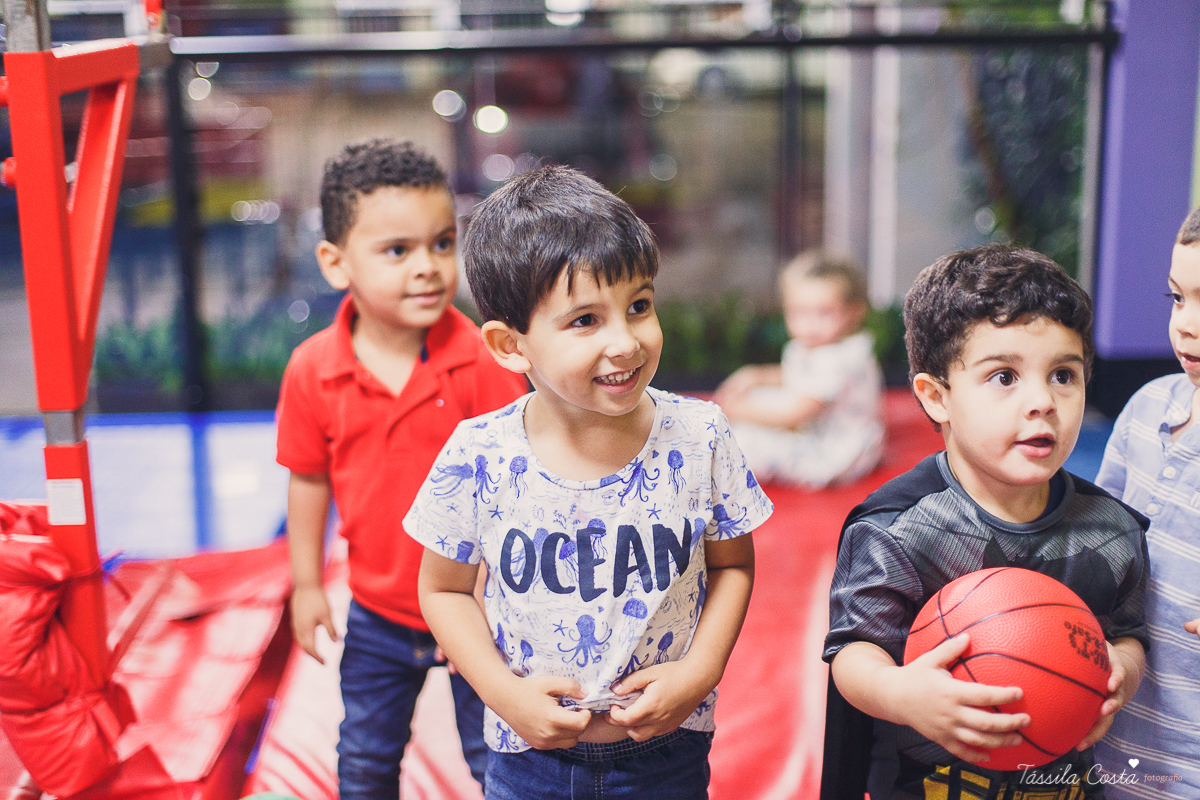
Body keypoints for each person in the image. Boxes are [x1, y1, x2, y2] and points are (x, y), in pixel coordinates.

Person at [403, 164, 773, 800]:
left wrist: (699, 671)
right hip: (531, 760)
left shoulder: (700, 436)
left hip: (667, 751)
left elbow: (733, 565)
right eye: (584, 320)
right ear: (510, 345)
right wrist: (504, 694)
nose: (626, 342)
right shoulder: (479, 454)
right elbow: (443, 590)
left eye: (639, 306)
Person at [820, 244, 1150, 800]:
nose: (1042, 401)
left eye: (1063, 375)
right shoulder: (897, 530)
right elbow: (853, 651)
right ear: (936, 397)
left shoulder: (1114, 532)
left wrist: (1122, 669)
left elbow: (1129, 631)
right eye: (1004, 377)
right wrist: (900, 692)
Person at [275, 139, 528, 799]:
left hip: (478, 607)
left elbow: (517, 481)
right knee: (364, 761)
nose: (428, 268)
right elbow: (307, 478)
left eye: (442, 244)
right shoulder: (312, 370)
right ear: (336, 264)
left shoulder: (480, 357)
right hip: (379, 613)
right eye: (398, 251)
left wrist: (496, 594)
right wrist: (307, 584)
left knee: (497, 761)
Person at [1091, 207, 1200, 797]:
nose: (1186, 324)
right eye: (1178, 298)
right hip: (1111, 746)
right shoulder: (1148, 408)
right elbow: (1095, 542)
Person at [713, 251, 883, 488]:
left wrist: (736, 411)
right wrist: (756, 376)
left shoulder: (837, 358)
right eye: (799, 313)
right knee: (757, 400)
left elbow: (797, 414)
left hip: (832, 451)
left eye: (824, 313)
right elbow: (798, 376)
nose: (809, 324)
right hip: (822, 431)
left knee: (743, 441)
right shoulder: (820, 346)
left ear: (854, 311)